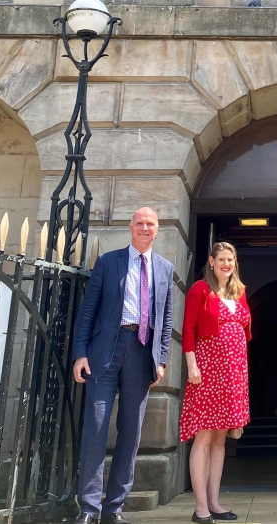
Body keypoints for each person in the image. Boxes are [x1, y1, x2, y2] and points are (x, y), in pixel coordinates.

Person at [71, 207, 173, 524]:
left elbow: (166, 319)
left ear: (157, 230)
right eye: (139, 223)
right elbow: (88, 310)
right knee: (96, 429)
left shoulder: (165, 268)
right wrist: (80, 352)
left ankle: (114, 507)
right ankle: (89, 507)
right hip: (104, 352)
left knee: (130, 434)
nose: (144, 228)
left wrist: (162, 360)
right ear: (130, 228)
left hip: (142, 353)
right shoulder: (108, 262)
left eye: (150, 224)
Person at [179, 242, 251, 524]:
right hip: (207, 370)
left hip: (233, 374)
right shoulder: (200, 289)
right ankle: (200, 508)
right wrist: (191, 364)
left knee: (221, 439)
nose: (226, 264)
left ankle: (215, 503)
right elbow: (187, 328)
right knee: (204, 435)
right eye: (221, 259)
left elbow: (243, 330)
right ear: (211, 261)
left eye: (230, 260)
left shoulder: (239, 291)